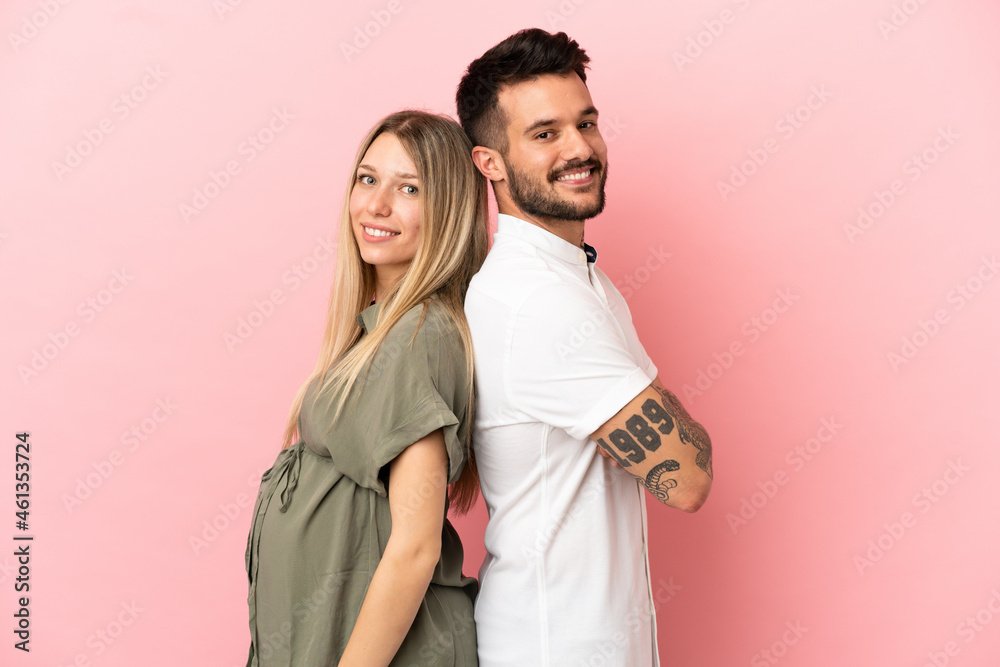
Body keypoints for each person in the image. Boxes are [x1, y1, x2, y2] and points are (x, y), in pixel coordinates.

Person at [457, 29, 714, 666]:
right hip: (554, 647)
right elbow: (685, 475)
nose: (581, 149)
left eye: (587, 123)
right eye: (545, 133)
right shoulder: (537, 301)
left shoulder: (574, 275)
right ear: (490, 162)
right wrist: (661, 407)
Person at [244, 110, 488, 666]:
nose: (376, 206)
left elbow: (416, 546)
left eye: (409, 189)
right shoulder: (376, 330)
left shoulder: (421, 336)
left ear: (448, 211)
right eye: (367, 178)